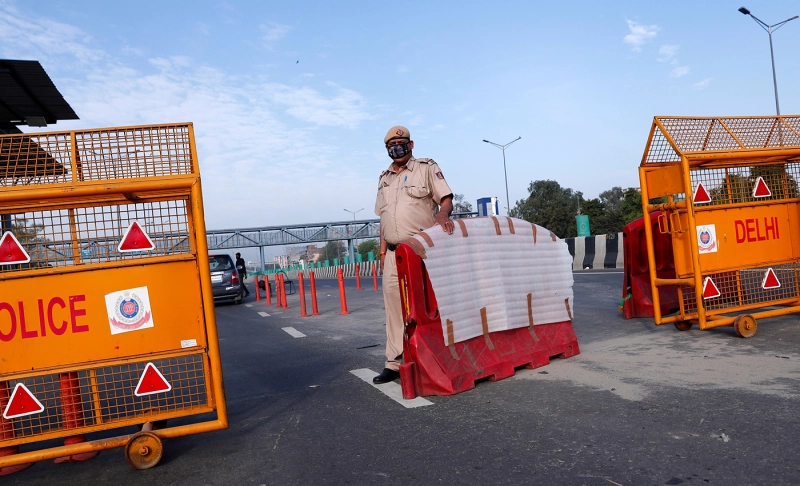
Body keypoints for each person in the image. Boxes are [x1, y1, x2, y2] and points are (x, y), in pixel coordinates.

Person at [373, 125, 454, 384]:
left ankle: (437, 358)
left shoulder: (426, 167)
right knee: (394, 310)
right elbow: (384, 219)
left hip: (421, 251)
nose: (397, 148)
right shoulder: (384, 178)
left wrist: (443, 215)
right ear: (387, 149)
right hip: (394, 254)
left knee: (428, 307)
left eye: (401, 143)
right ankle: (394, 363)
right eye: (391, 146)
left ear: (411, 144)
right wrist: (383, 251)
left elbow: (446, 198)